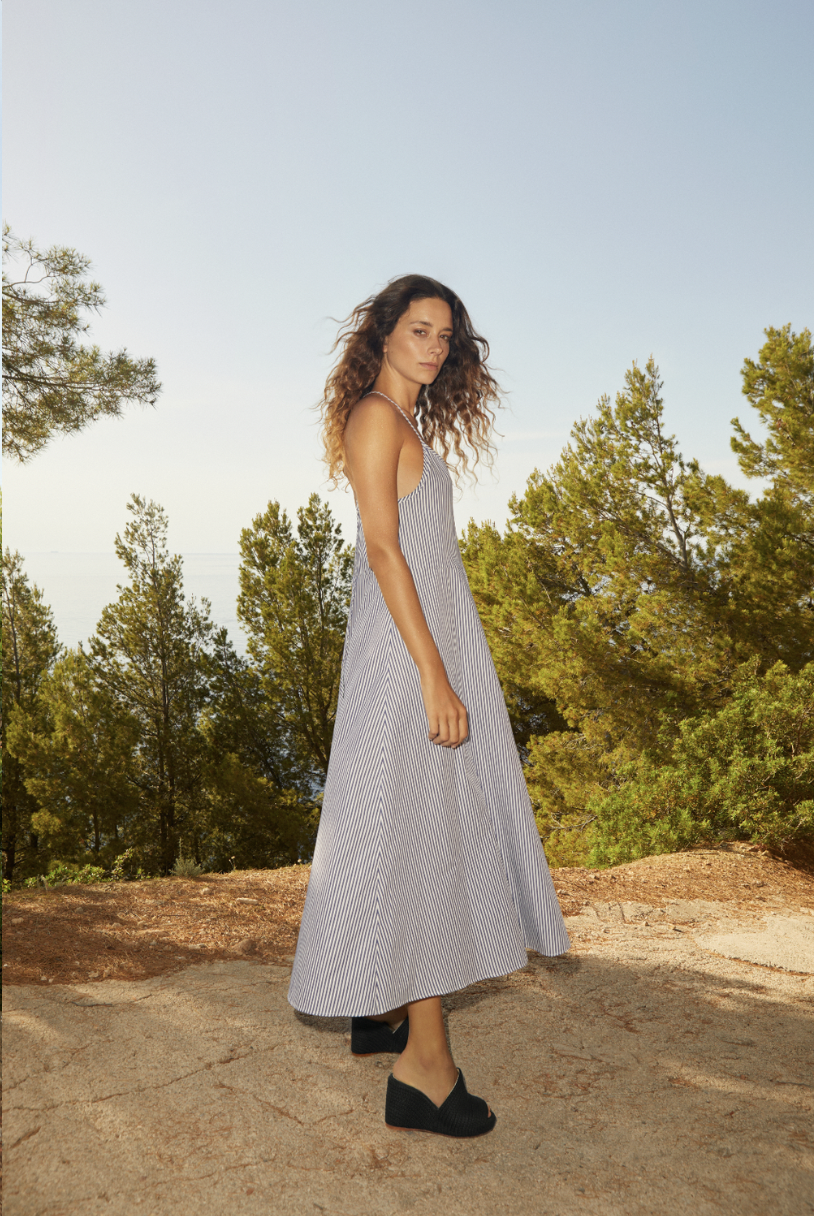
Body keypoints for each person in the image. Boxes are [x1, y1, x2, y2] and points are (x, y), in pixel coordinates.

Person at [288, 274, 570, 1137]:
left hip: (425, 647)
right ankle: (424, 1066)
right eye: (420, 328)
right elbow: (382, 549)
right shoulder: (376, 416)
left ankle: (382, 1006)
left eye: (446, 334)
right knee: (421, 841)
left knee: (408, 830)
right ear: (380, 335)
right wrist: (434, 676)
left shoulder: (401, 419)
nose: (437, 344)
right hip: (408, 661)